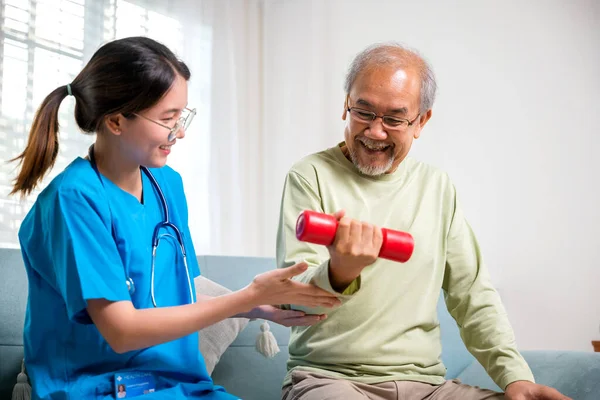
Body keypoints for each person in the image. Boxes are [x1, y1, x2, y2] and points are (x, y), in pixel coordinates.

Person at [10, 36, 341, 400]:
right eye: (168, 118)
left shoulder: (167, 184)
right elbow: (121, 331)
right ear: (117, 120)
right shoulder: (73, 200)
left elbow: (180, 293)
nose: (180, 131)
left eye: (182, 116)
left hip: (180, 386)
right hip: (96, 390)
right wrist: (243, 298)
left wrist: (260, 307)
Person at [275, 43, 570, 400]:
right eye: (363, 112)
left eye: (395, 119)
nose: (376, 132)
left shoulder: (437, 187)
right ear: (345, 105)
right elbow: (291, 299)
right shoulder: (310, 175)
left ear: (421, 121)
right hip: (330, 380)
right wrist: (340, 271)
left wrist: (516, 378)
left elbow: (472, 293)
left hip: (427, 388)